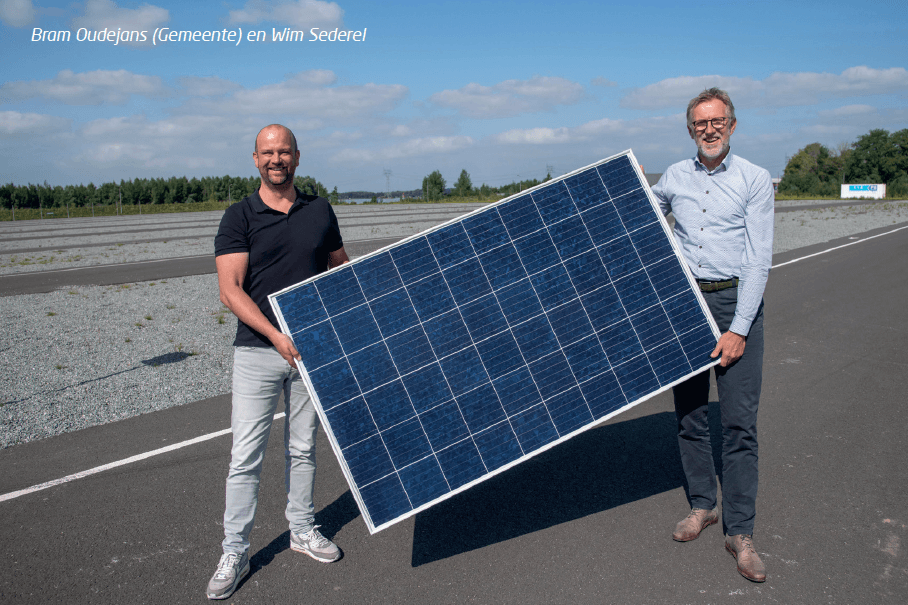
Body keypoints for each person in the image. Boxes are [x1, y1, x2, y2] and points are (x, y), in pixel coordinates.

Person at [207, 124, 349, 600]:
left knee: (303, 449)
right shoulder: (239, 217)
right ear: (255, 159)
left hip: (309, 353)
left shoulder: (319, 210)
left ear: (297, 157)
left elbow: (341, 269)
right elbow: (230, 291)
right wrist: (275, 335)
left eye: (283, 151)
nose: (276, 159)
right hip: (256, 351)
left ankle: (302, 529)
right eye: (268, 152)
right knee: (245, 457)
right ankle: (234, 550)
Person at [650, 88, 773, 582]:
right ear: (690, 129)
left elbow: (759, 259)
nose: (709, 129)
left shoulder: (755, 179)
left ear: (733, 125)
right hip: (686, 303)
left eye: (717, 121)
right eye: (700, 123)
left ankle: (741, 532)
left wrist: (738, 328)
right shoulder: (674, 178)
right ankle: (703, 506)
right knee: (691, 417)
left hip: (734, 300)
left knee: (739, 425)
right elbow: (637, 212)